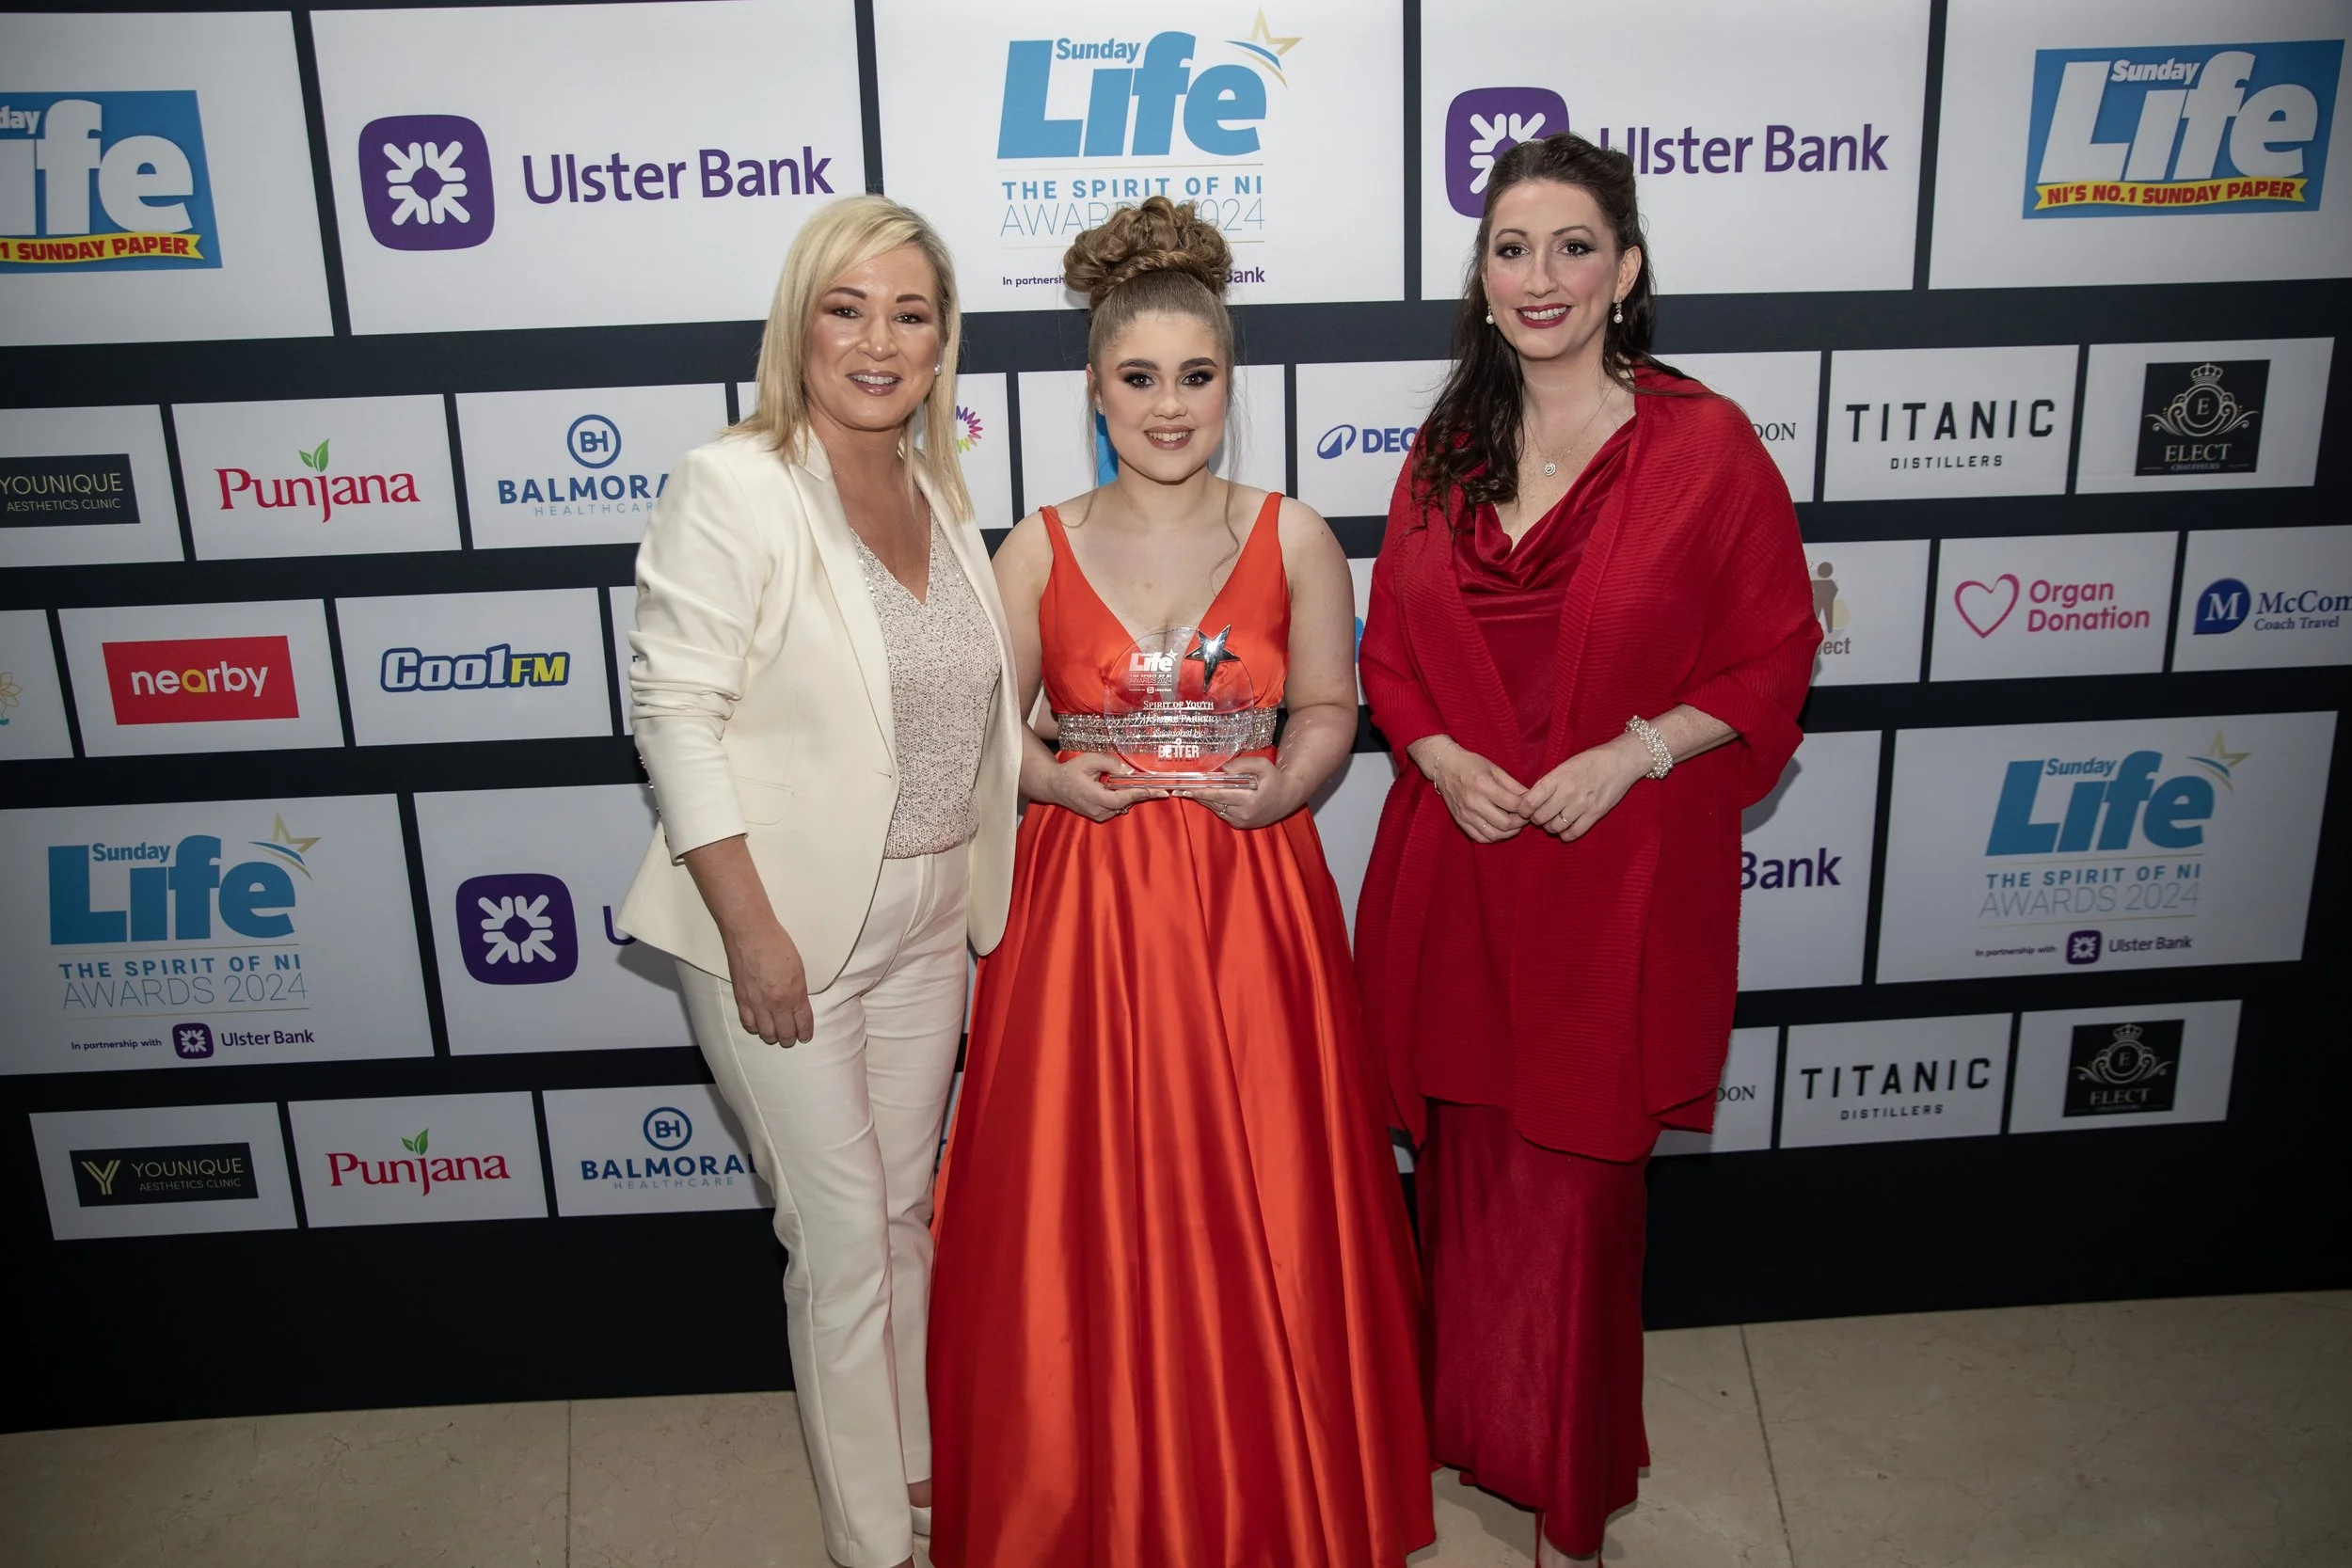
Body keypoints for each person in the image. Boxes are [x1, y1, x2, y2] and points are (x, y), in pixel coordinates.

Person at [925, 196, 1436, 1568]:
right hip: (1082, 915)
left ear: (1233, 383)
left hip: (1250, 904)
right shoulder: (1030, 545)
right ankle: (1087, 1499)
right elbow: (985, 734)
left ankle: (1274, 1496)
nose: (1168, 406)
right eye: (1139, 379)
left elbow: (1329, 704)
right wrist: (1047, 779)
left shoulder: (1299, 535)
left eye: (1195, 378)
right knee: (1082, 1216)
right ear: (1092, 388)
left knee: (1263, 1194)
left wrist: (1291, 779)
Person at [1355, 135, 1820, 1564]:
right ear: (1481, 281)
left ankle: (1570, 1501)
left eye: (1571, 247)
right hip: (1461, 873)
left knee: (1579, 1200)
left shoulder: (1707, 446)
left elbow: (1770, 661)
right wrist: (1437, 754)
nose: (1539, 275)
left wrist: (1631, 751)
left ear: (1624, 272)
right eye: (1510, 248)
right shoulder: (1447, 444)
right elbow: (1390, 655)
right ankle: (1477, 1435)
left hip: (1608, 894)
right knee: (1478, 1191)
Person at [615, 195, 1024, 1568]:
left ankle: (912, 1472)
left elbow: (961, 727)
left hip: (924, 914)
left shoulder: (936, 488)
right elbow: (673, 712)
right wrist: (751, 937)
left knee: (901, 1216)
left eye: (911, 312)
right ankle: (875, 1543)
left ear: (942, 338)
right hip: (781, 928)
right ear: (799, 322)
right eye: (847, 306)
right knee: (843, 1241)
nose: (878, 338)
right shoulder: (734, 483)